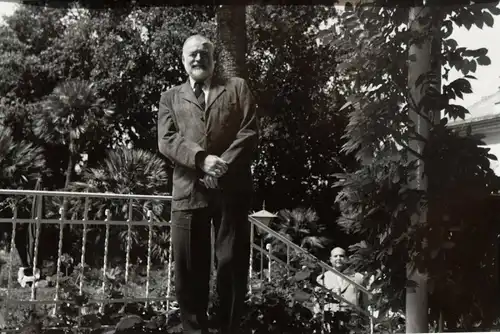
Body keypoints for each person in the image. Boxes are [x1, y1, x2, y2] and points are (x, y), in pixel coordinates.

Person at [157, 34, 259, 334]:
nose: (198, 58)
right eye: (192, 54)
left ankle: (228, 329)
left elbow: (249, 132)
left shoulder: (237, 88)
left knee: (231, 264)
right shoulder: (170, 98)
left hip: (231, 192)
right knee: (189, 271)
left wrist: (220, 165)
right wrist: (201, 160)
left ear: (214, 60)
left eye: (204, 53)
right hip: (188, 193)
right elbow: (166, 140)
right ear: (183, 59)